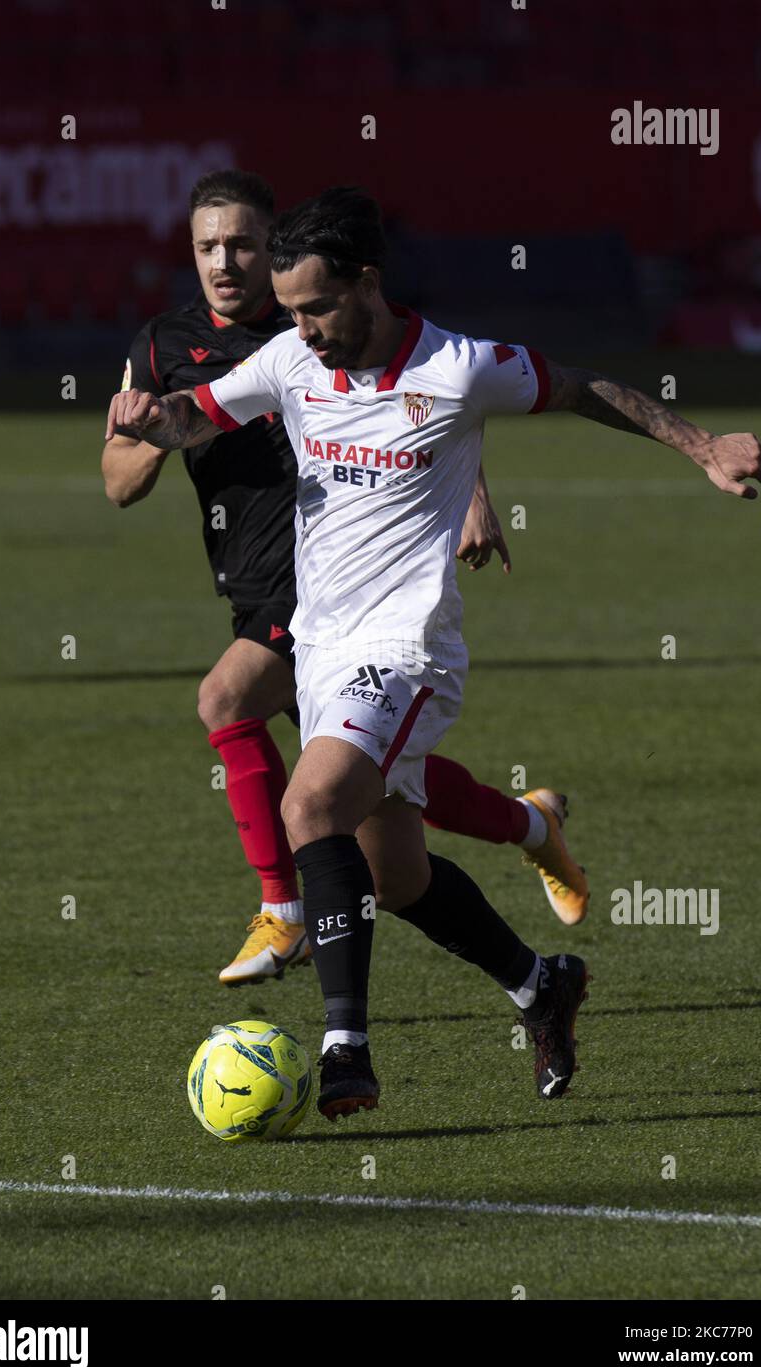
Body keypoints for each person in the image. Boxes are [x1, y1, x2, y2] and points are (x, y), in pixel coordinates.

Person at [107, 186, 761, 1120]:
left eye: (317, 308)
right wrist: (149, 419)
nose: (302, 329)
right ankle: (542, 985)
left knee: (311, 802)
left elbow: (584, 387)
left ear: (367, 284)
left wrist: (702, 444)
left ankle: (345, 1049)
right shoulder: (288, 359)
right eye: (290, 312)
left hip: (409, 648)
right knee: (396, 876)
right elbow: (195, 418)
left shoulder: (461, 368)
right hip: (320, 647)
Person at [101, 171, 588, 990]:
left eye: (244, 243)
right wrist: (153, 427)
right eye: (206, 246)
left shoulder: (326, 318)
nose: (226, 261)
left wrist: (474, 494)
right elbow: (118, 480)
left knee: (233, 706)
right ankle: (529, 828)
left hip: (330, 591)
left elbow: (432, 403)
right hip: (252, 581)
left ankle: (284, 917)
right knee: (383, 803)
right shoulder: (162, 343)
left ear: (276, 249)